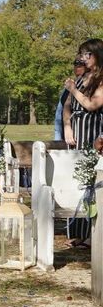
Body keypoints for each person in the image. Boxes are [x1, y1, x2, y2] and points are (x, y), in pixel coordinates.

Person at [63, 38, 103, 247]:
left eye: (87, 54)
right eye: (82, 54)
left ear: (97, 55)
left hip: (93, 134)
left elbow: (91, 104)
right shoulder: (83, 77)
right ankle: (77, 231)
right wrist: (67, 126)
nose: (83, 58)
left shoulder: (101, 79)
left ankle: (92, 234)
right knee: (76, 180)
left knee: (91, 181)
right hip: (76, 134)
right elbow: (68, 105)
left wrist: (72, 89)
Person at [54, 57, 89, 140]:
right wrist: (66, 129)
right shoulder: (68, 87)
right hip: (69, 133)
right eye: (75, 63)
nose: (77, 66)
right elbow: (59, 117)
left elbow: (90, 105)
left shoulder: (95, 85)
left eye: (81, 64)